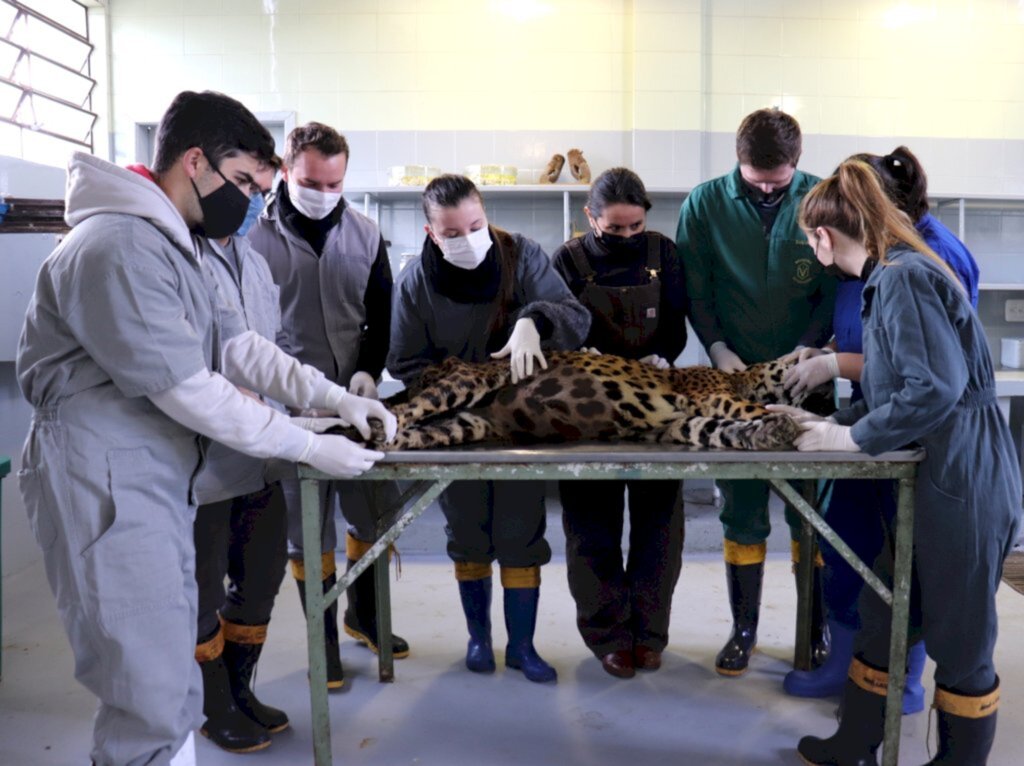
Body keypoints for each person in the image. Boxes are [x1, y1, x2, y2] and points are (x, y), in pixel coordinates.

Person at [16, 90, 395, 766]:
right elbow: (190, 389)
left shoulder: (180, 241)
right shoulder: (119, 243)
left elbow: (242, 346)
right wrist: (310, 444)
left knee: (165, 679)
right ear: (196, 161)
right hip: (105, 477)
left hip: (153, 471)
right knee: (147, 686)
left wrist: (339, 398)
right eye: (245, 181)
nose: (252, 200)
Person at [777, 159, 1021, 766]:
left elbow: (934, 388)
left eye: (811, 238)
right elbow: (893, 386)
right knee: (884, 609)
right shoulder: (885, 278)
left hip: (960, 473)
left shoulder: (906, 276)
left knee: (961, 639)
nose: (813, 248)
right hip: (925, 471)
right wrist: (832, 422)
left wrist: (851, 443)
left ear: (826, 237)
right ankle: (855, 742)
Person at [388, 174, 590, 683]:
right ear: (431, 232)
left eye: (475, 225)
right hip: (458, 429)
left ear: (485, 214)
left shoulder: (521, 256)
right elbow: (404, 359)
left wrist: (533, 320)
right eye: (452, 233)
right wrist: (455, 391)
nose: (467, 238)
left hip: (522, 422)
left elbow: (574, 315)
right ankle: (479, 639)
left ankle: (522, 646)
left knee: (521, 532)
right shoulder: (416, 282)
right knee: (468, 532)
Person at [247, 122, 409, 691]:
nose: (324, 193)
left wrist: (367, 371)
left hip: (356, 405)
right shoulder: (253, 238)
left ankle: (364, 614)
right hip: (288, 414)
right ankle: (325, 643)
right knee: (306, 531)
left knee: (372, 513)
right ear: (286, 171)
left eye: (335, 183)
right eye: (313, 181)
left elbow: (381, 317)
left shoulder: (366, 235)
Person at [675, 107, 836, 677]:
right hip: (731, 385)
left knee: (809, 513)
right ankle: (743, 629)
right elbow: (694, 287)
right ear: (737, 161)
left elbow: (838, 285)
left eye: (779, 180)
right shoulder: (705, 203)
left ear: (798, 160)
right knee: (741, 512)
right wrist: (717, 348)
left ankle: (810, 628)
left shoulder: (822, 198)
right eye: (756, 180)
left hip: (807, 378)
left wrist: (812, 350)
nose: (768, 189)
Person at [550, 168, 688, 679]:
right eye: (615, 228)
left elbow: (675, 322)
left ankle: (650, 635)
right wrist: (574, 350)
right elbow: (556, 322)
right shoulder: (567, 259)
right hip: (586, 407)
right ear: (590, 217)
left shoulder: (663, 253)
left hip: (652, 401)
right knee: (591, 525)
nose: (628, 237)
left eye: (636, 226)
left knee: (659, 525)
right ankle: (608, 636)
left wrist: (664, 357)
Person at [189, 161, 305, 753]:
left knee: (260, 579)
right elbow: (180, 365)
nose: (257, 201)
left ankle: (240, 689)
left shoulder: (255, 262)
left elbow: (273, 346)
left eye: (264, 191)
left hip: (261, 458)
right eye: (247, 187)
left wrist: (302, 403)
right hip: (203, 466)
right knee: (203, 589)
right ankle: (214, 707)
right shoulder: (182, 255)